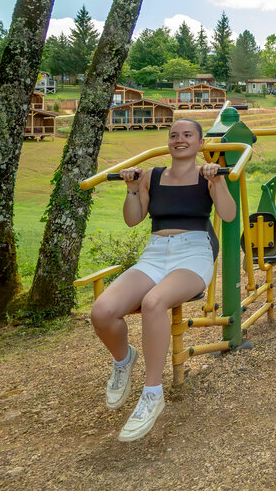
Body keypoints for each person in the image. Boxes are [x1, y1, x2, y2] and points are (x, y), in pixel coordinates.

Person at [89, 118, 237, 442]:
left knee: (155, 302)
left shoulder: (207, 174)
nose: (179, 139)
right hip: (155, 253)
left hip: (193, 252)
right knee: (101, 312)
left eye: (187, 135)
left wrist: (218, 182)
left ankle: (153, 393)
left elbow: (227, 215)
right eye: (173, 135)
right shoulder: (152, 176)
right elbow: (133, 219)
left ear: (200, 143)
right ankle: (124, 359)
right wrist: (131, 187)